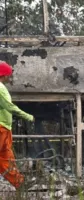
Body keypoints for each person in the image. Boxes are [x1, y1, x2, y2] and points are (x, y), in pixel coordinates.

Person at [0, 61, 35, 190]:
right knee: (5, 157)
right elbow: (9, 106)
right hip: (1, 127)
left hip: (4, 128)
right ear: (3, 75)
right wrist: (27, 116)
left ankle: (20, 183)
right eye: (8, 74)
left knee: (6, 158)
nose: (10, 77)